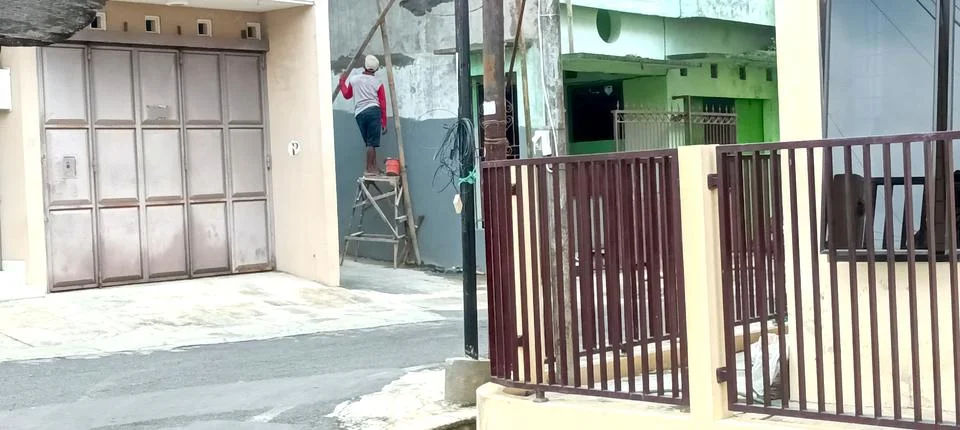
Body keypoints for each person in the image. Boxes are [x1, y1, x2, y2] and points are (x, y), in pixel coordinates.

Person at [339, 55, 387, 175]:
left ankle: (374, 168)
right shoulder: (378, 82)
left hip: (359, 114)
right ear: (376, 69)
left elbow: (347, 95)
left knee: (370, 143)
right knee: (372, 143)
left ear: (364, 66)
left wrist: (342, 81)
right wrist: (384, 122)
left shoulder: (354, 80)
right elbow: (382, 103)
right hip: (373, 111)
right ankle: (369, 169)